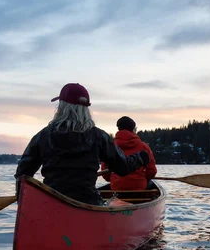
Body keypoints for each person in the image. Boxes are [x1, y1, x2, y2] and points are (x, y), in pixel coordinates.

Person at [14, 83, 150, 205]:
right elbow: (122, 167)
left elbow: (23, 174)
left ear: (61, 107)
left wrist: (22, 198)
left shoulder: (43, 136)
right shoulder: (98, 136)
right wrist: (141, 157)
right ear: (86, 110)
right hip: (88, 202)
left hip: (52, 203)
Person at [101, 116, 157, 190]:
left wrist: (112, 179)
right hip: (139, 187)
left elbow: (105, 174)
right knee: (151, 184)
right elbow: (151, 171)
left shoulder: (110, 146)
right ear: (133, 129)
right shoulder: (144, 147)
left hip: (117, 187)